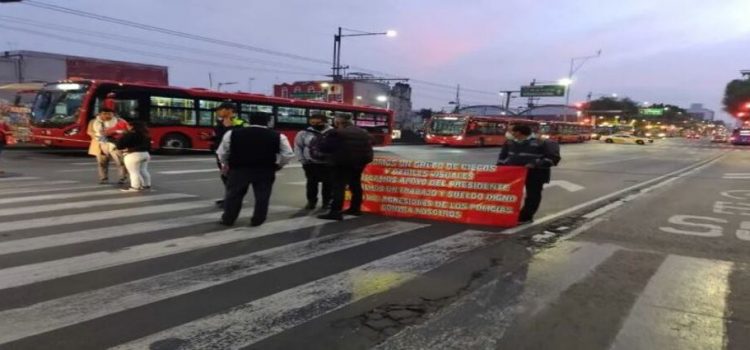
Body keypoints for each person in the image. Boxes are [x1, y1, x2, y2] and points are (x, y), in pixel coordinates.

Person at [216, 112, 294, 227]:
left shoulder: (232, 133)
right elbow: (287, 154)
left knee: (234, 195)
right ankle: (258, 220)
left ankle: (228, 219)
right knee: (262, 196)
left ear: (249, 121)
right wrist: (279, 165)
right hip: (265, 170)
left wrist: (227, 164)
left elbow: (222, 153)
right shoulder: (278, 135)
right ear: (268, 121)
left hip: (239, 169)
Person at [496, 124, 561, 225]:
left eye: (511, 131)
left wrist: (534, 164)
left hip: (535, 173)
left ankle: (526, 216)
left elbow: (553, 159)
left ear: (518, 132)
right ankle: (508, 213)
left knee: (532, 195)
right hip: (513, 173)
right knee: (509, 195)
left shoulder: (541, 142)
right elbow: (502, 156)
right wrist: (499, 168)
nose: (509, 133)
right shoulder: (509, 142)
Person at [317, 114, 374, 221]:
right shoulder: (363, 132)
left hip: (341, 164)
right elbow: (369, 148)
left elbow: (325, 148)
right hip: (359, 164)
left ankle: (335, 212)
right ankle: (355, 209)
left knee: (338, 187)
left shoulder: (336, 133)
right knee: (356, 186)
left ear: (338, 122)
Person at [211, 101, 248, 208]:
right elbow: (220, 137)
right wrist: (211, 138)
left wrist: (229, 127)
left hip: (234, 156)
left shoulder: (241, 123)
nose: (218, 112)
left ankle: (233, 200)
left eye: (220, 109)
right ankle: (229, 198)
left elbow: (238, 137)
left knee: (232, 179)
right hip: (221, 155)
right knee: (225, 177)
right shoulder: (219, 123)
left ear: (229, 110)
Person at [294, 114, 334, 210]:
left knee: (328, 184)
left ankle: (326, 202)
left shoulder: (333, 132)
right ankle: (311, 202)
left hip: (328, 163)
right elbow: (298, 147)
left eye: (318, 122)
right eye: (312, 123)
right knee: (311, 184)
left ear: (325, 122)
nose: (315, 124)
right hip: (310, 163)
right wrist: (302, 160)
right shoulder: (303, 133)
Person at [89, 107, 129, 185]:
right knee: (102, 163)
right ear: (100, 114)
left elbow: (127, 131)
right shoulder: (93, 121)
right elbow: (89, 131)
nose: (107, 115)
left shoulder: (120, 121)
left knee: (120, 162)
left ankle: (122, 177)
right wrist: (98, 135)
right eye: (104, 114)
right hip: (100, 144)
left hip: (115, 144)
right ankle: (103, 178)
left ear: (113, 114)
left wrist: (115, 132)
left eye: (109, 114)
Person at [116, 120, 152, 192]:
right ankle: (147, 184)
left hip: (133, 155)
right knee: (143, 170)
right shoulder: (146, 134)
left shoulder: (130, 134)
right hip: (145, 154)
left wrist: (122, 135)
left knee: (133, 172)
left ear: (132, 126)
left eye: (128, 126)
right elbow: (148, 146)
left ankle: (135, 187)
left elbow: (119, 146)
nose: (127, 127)